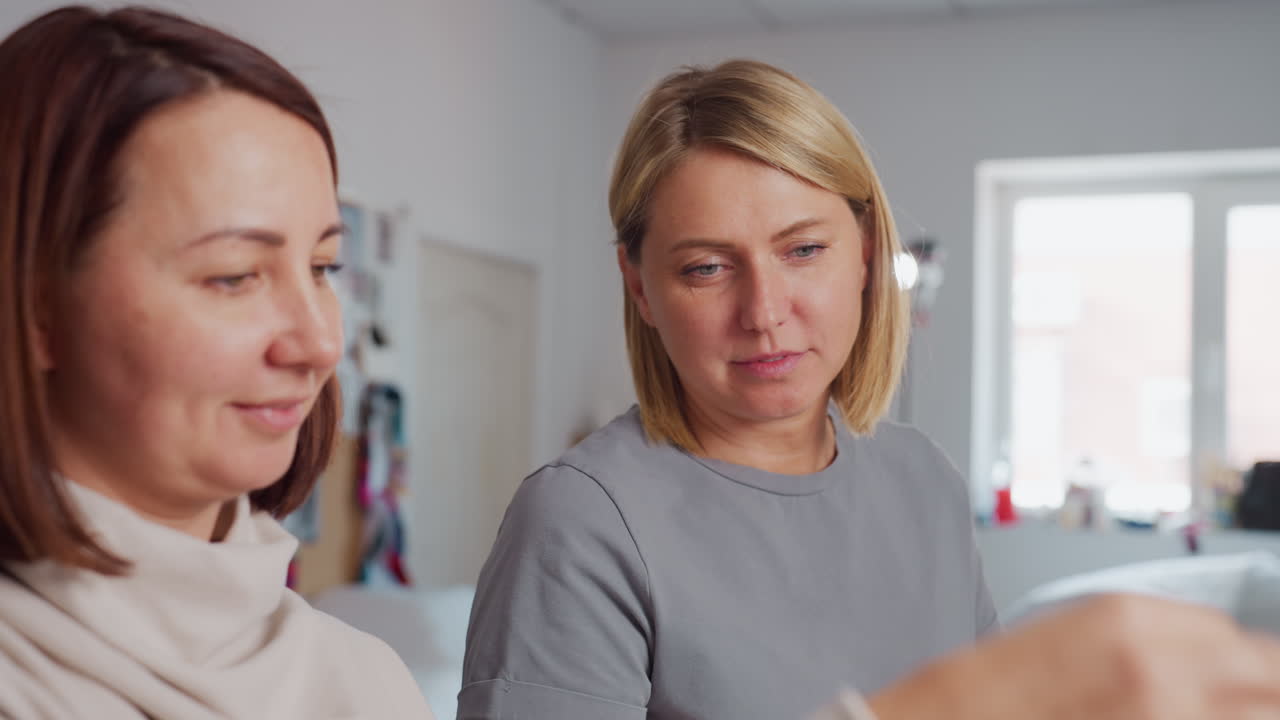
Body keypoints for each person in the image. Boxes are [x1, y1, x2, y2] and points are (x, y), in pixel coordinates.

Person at [458, 59, 1280, 720]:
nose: (765, 312)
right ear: (640, 288)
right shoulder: (581, 522)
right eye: (706, 268)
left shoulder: (920, 478)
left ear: (864, 253)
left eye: (803, 250)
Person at [0, 6, 434, 718]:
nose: (320, 347)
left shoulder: (365, 680)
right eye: (234, 276)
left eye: (323, 266)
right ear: (34, 308)